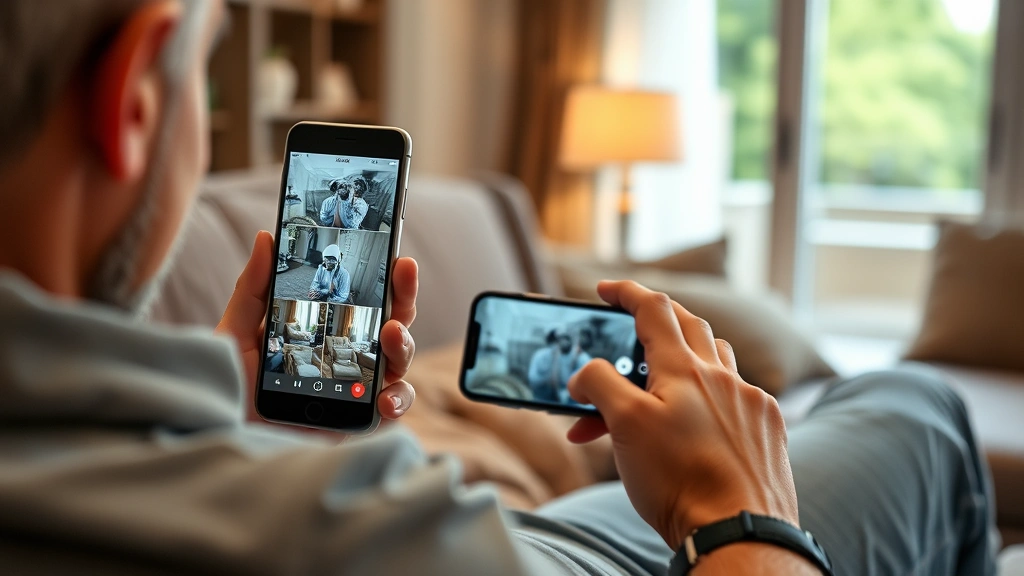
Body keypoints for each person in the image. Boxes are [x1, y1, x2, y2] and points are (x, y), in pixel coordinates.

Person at [0, 1, 999, 575]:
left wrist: (224, 427)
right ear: (134, 98)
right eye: (205, 70)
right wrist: (739, 512)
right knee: (913, 406)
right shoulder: (360, 537)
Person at [528, 329, 591, 404]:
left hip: (566, 400)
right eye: (557, 341)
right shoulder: (540, 355)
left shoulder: (580, 358)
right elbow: (532, 378)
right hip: (541, 397)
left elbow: (567, 380)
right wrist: (547, 379)